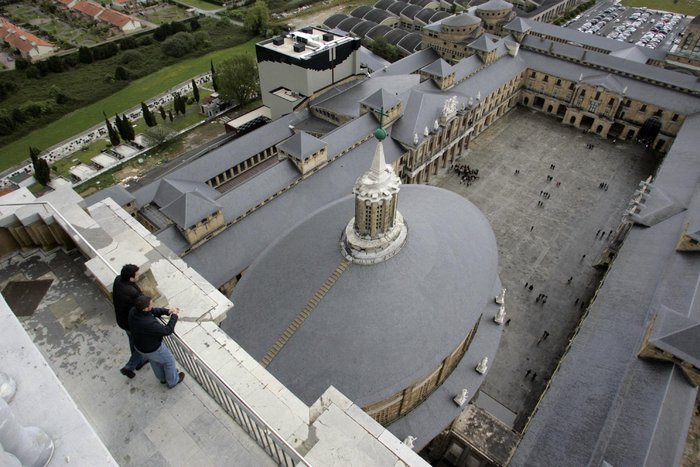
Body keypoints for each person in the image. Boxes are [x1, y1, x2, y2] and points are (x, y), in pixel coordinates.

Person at [128, 295, 184, 388]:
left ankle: (162, 379)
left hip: (140, 346)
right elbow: (167, 330)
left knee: (155, 362)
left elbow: (152, 311)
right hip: (153, 348)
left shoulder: (133, 311)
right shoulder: (148, 323)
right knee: (169, 361)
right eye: (150, 304)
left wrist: (167, 311)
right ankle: (173, 381)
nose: (152, 305)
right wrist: (174, 316)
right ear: (145, 309)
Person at [113, 264, 148, 379]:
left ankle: (138, 363)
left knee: (133, 341)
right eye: (137, 274)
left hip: (122, 320)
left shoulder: (118, 280)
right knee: (141, 344)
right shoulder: (132, 292)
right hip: (130, 323)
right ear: (131, 278)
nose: (139, 275)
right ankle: (129, 366)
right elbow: (143, 305)